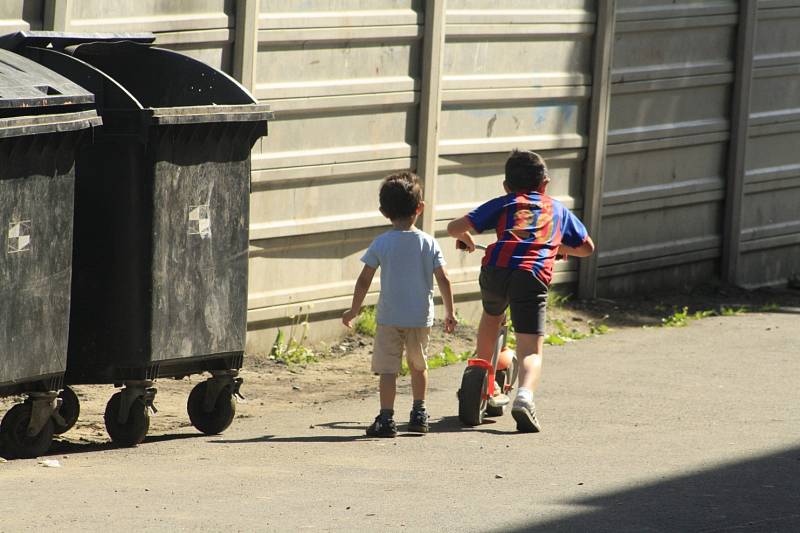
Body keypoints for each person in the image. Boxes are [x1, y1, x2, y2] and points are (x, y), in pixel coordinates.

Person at [447, 149, 595, 433]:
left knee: (492, 315)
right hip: (531, 274)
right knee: (530, 350)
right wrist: (556, 248)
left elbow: (454, 227)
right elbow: (587, 248)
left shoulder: (504, 203)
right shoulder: (557, 209)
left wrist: (466, 240)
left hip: (496, 267)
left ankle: (481, 363)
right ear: (545, 184)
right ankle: (524, 397)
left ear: (506, 186)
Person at [343, 171, 457, 438]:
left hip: (390, 318)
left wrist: (354, 309)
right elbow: (444, 278)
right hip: (420, 317)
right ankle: (419, 413)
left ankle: (386, 419)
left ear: (384, 212)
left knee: (388, 370)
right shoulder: (429, 243)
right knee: (419, 365)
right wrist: (450, 311)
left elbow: (363, 280)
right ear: (420, 208)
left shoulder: (381, 243)